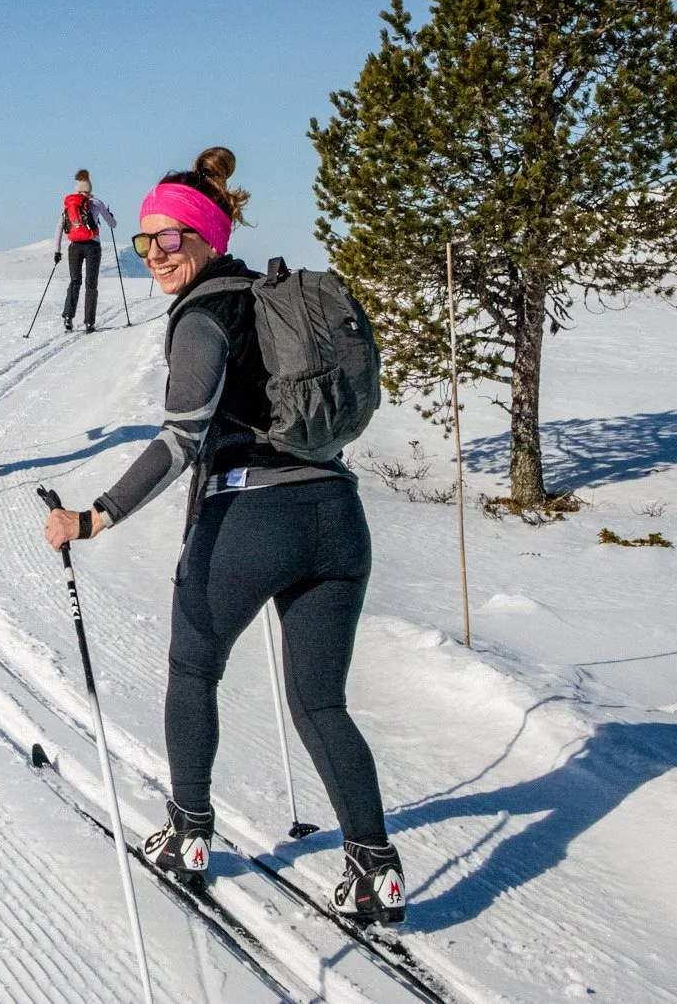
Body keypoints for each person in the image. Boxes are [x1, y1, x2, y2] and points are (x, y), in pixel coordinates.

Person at [39, 147, 405, 924]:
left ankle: (190, 833)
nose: (154, 257)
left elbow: (178, 439)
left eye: (168, 240)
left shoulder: (204, 316)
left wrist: (94, 514)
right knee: (321, 702)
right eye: (143, 244)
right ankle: (375, 868)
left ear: (204, 236)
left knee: (192, 665)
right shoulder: (276, 299)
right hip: (338, 516)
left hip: (251, 514)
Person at [55, 170, 116, 333]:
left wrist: (57, 250)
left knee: (75, 281)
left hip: (74, 246)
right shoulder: (96, 203)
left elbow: (60, 227)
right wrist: (110, 215)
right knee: (91, 283)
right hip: (92, 246)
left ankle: (68, 317)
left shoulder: (70, 205)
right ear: (90, 188)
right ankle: (89, 322)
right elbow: (112, 224)